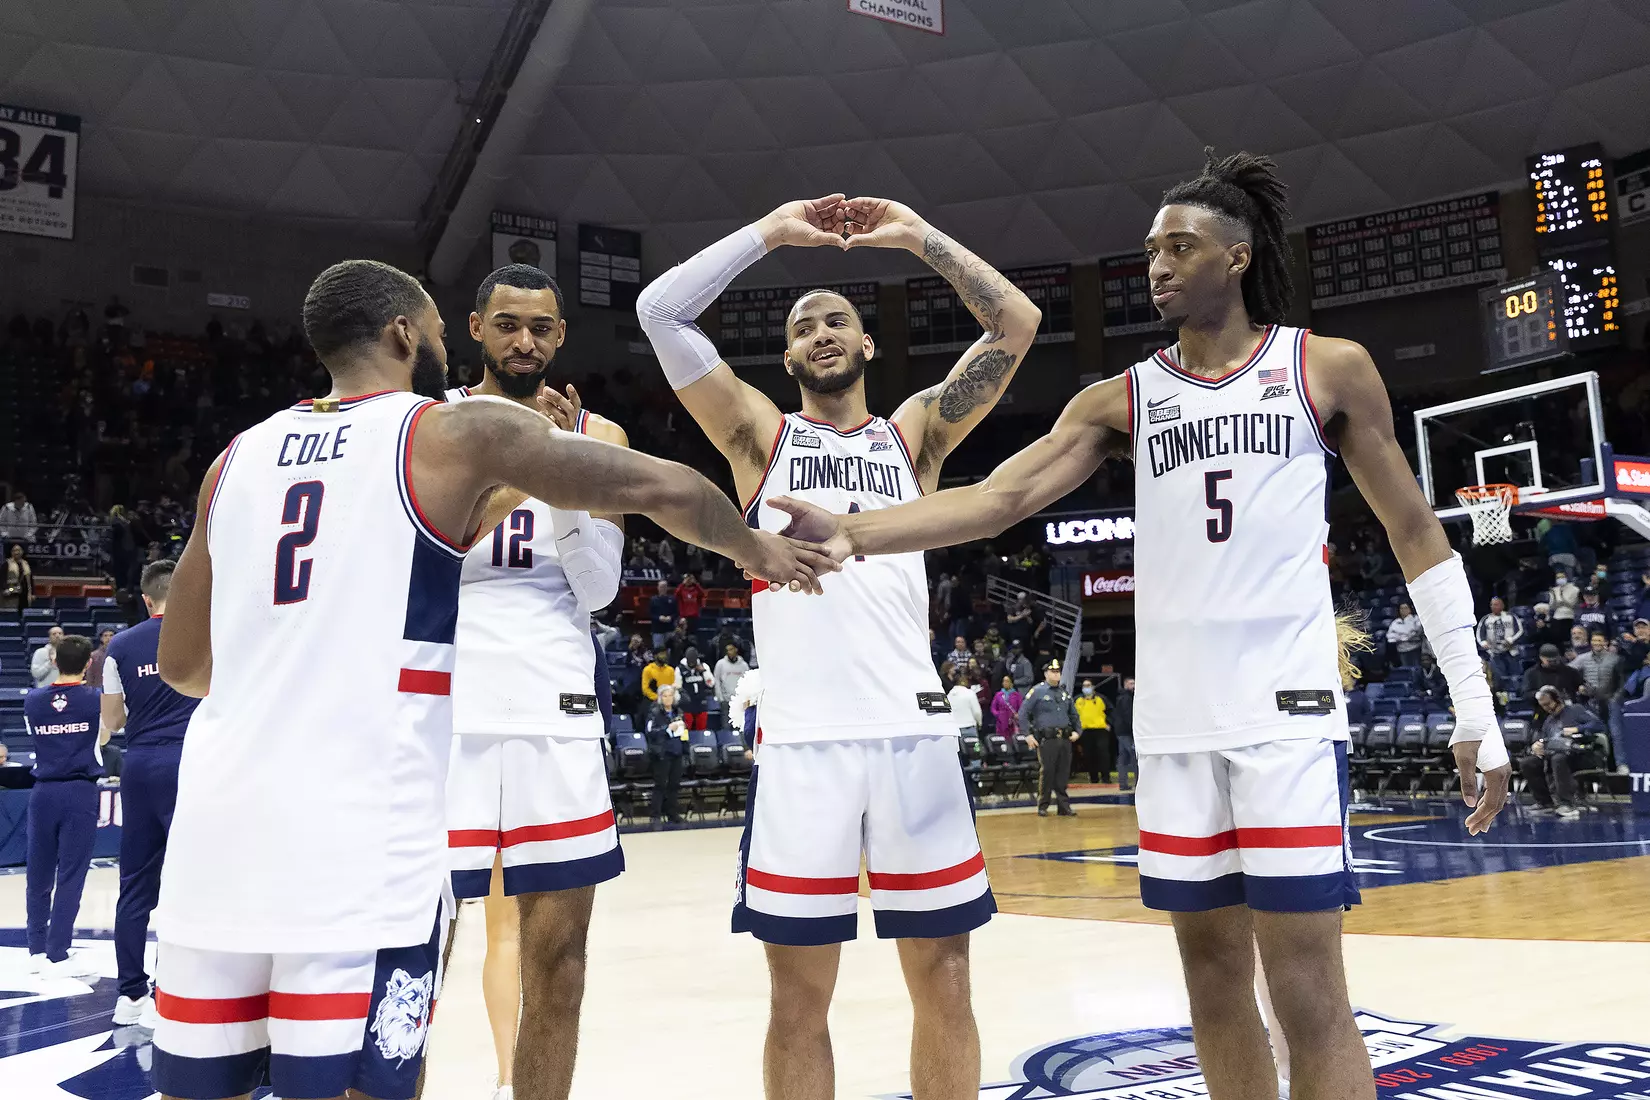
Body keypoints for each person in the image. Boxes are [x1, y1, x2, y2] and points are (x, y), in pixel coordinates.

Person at [772, 150, 1511, 1100]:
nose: (1156, 264)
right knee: (1210, 984)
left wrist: (1474, 708)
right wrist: (852, 530)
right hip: (1172, 732)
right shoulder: (1121, 397)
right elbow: (1000, 498)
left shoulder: (1324, 366)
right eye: (1149, 249)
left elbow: (1418, 536)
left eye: (1179, 246)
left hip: (1283, 718)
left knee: (1309, 990)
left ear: (1237, 258)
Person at [147, 258, 829, 1100]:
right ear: (415, 334)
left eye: (541, 326)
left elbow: (182, 665)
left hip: (224, 819)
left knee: (208, 1079)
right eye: (446, 326)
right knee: (363, 1058)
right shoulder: (448, 432)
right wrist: (759, 549)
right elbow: (673, 487)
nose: (518, 340)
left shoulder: (235, 457)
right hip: (371, 805)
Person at [638, 192, 1040, 1100]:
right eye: (804, 325)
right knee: (797, 1003)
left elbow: (1017, 323)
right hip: (805, 743)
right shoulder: (757, 436)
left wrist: (917, 235)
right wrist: (771, 233)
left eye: (840, 320)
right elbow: (658, 311)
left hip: (913, 733)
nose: (822, 331)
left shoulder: (916, 436)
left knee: (944, 982)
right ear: (786, 357)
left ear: (867, 346)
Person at [441, 264, 631, 1100]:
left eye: (542, 328)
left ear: (561, 337)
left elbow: (598, 590)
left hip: (556, 711)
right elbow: (425, 553)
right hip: (443, 709)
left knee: (560, 960)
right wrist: (539, 461)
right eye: (509, 324)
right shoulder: (430, 424)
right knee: (407, 949)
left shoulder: (606, 436)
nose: (525, 341)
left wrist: (566, 476)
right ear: (476, 327)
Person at [103, 560, 199, 1028]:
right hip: (192, 763)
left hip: (139, 765)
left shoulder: (119, 646)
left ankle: (129, 995)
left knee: (135, 885)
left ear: (144, 598)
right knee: (192, 882)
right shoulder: (205, 632)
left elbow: (114, 720)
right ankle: (171, 993)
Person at [24, 633, 106, 977]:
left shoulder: (33, 700)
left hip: (42, 792)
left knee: (38, 873)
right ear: (88, 663)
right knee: (71, 874)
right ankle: (58, 953)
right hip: (79, 792)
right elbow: (104, 735)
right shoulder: (95, 699)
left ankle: (35, 950)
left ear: (54, 660)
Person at [1519, 686, 1604, 818]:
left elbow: (1599, 725)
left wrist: (1577, 729)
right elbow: (1544, 738)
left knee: (1558, 759)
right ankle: (1545, 802)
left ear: (1557, 699)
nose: (1546, 708)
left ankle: (1566, 803)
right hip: (1555, 754)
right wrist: (1538, 744)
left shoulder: (1576, 710)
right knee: (1528, 762)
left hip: (1581, 755)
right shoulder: (1548, 720)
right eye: (1543, 706)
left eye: (1548, 704)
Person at [1019, 660, 1081, 816]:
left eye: (1058, 671)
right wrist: (1027, 735)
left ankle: (1063, 806)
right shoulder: (1037, 691)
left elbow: (1074, 715)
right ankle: (1043, 804)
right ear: (1046, 673)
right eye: (1053, 672)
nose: (1056, 674)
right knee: (1047, 772)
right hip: (1047, 739)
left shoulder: (1064, 693)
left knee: (1063, 772)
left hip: (1064, 738)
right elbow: (1023, 714)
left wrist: (1078, 731)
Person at [1570, 630, 1625, 768]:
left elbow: (1622, 681)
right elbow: (1568, 672)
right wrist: (1578, 686)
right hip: (1589, 702)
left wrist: (1616, 698)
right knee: (1591, 732)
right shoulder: (1583, 658)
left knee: (1615, 733)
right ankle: (1594, 766)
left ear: (1606, 642)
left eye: (1600, 641)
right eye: (1594, 641)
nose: (1596, 643)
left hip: (1610, 701)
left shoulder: (1615, 659)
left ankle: (1620, 765)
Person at [645, 683, 689, 825]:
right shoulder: (655, 712)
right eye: (665, 696)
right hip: (662, 753)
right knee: (660, 785)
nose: (668, 698)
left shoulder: (678, 711)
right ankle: (655, 814)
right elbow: (650, 732)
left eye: (670, 695)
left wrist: (685, 748)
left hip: (677, 751)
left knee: (674, 785)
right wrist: (667, 728)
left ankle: (672, 813)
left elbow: (684, 731)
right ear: (660, 698)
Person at [1476, 597, 1523, 690]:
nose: (1494, 606)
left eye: (1496, 604)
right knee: (1500, 677)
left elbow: (1520, 631)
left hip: (1511, 651)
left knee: (1515, 675)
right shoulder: (1486, 619)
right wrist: (1484, 643)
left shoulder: (1511, 617)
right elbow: (1480, 634)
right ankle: (1503, 693)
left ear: (1502, 605)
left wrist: (1511, 640)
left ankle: (1517, 691)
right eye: (1492, 604)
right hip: (1494, 652)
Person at [1074, 678, 1110, 783]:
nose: (1086, 688)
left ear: (1093, 687)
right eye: (1084, 686)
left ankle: (1106, 778)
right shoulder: (1078, 700)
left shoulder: (1101, 698)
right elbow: (1073, 715)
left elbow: (1111, 711)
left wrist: (1108, 724)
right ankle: (1093, 778)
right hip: (1085, 731)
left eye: (1088, 685)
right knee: (1089, 755)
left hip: (1100, 730)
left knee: (1103, 754)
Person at [676, 645, 715, 730]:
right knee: (686, 728)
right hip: (687, 704)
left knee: (701, 728)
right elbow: (678, 687)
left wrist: (704, 672)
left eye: (693, 662)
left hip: (701, 702)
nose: (692, 664)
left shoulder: (704, 666)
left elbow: (711, 684)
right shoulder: (680, 669)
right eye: (690, 663)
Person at [1112, 677, 1138, 792]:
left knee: (1123, 757)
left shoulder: (1121, 697)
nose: (1133, 685)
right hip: (1126, 731)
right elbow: (1128, 715)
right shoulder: (1126, 698)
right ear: (1125, 685)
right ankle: (1138, 782)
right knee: (1133, 756)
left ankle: (1123, 783)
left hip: (1121, 731)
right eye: (1131, 683)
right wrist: (1134, 729)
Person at [1386, 601, 1424, 667]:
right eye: (1401, 608)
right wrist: (1405, 637)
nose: (1404, 610)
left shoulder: (1416, 619)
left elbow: (1415, 633)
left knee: (1417, 668)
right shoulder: (1395, 622)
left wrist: (1401, 636)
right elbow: (1390, 637)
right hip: (1402, 650)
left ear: (1410, 609)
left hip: (1415, 648)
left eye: (1406, 608)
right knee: (1406, 668)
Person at [947, 669, 982, 740]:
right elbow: (977, 712)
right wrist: (979, 723)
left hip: (954, 730)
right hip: (969, 728)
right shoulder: (970, 693)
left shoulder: (949, 695)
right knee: (973, 750)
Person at [713, 642, 751, 706]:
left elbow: (748, 682)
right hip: (726, 700)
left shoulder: (744, 665)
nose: (729, 652)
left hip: (740, 700)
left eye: (731, 649)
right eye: (727, 650)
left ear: (736, 649)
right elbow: (717, 681)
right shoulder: (720, 664)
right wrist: (720, 697)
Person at [990, 674, 1022, 739]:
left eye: (1007, 681)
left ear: (1011, 683)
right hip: (1001, 723)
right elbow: (993, 708)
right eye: (1004, 681)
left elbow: (1021, 708)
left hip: (1012, 723)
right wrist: (998, 714)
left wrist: (1018, 715)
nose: (1005, 683)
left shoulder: (1017, 695)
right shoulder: (998, 695)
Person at [4, 542, 32, 614]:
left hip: (24, 595)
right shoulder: (6, 563)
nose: (17, 552)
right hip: (11, 594)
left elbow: (30, 579)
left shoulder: (26, 563)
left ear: (22, 552)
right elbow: (2, 579)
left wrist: (32, 593)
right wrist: (6, 590)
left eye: (19, 550)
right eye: (14, 550)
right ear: (11, 552)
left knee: (24, 613)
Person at [648, 578, 676, 649]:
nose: (663, 589)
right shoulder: (653, 600)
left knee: (671, 651)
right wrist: (659, 618)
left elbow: (676, 612)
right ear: (658, 588)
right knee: (659, 653)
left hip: (669, 629)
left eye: (664, 587)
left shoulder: (672, 599)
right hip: (657, 630)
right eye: (661, 587)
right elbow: (650, 614)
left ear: (667, 588)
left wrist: (670, 617)